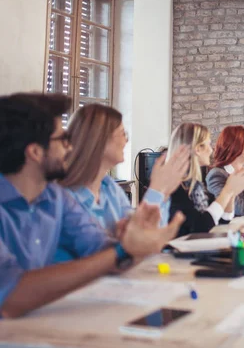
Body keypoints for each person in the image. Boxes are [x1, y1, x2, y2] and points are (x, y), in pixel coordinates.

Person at [0, 93, 185, 318]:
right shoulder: (62, 195)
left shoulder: (55, 197)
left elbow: (98, 247)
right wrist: (125, 249)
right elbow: (9, 297)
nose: (70, 147)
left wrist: (136, 242)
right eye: (62, 139)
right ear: (35, 152)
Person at [60, 104, 180, 238]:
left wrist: (163, 192)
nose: (126, 140)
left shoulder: (109, 187)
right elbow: (136, 241)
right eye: (123, 133)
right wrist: (157, 190)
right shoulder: (64, 196)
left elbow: (147, 237)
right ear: (100, 139)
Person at [167, 123, 244, 236]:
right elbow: (201, 226)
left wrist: (232, 193)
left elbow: (223, 219)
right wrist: (228, 190)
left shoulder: (195, 184)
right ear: (198, 149)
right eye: (209, 144)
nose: (211, 150)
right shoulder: (175, 187)